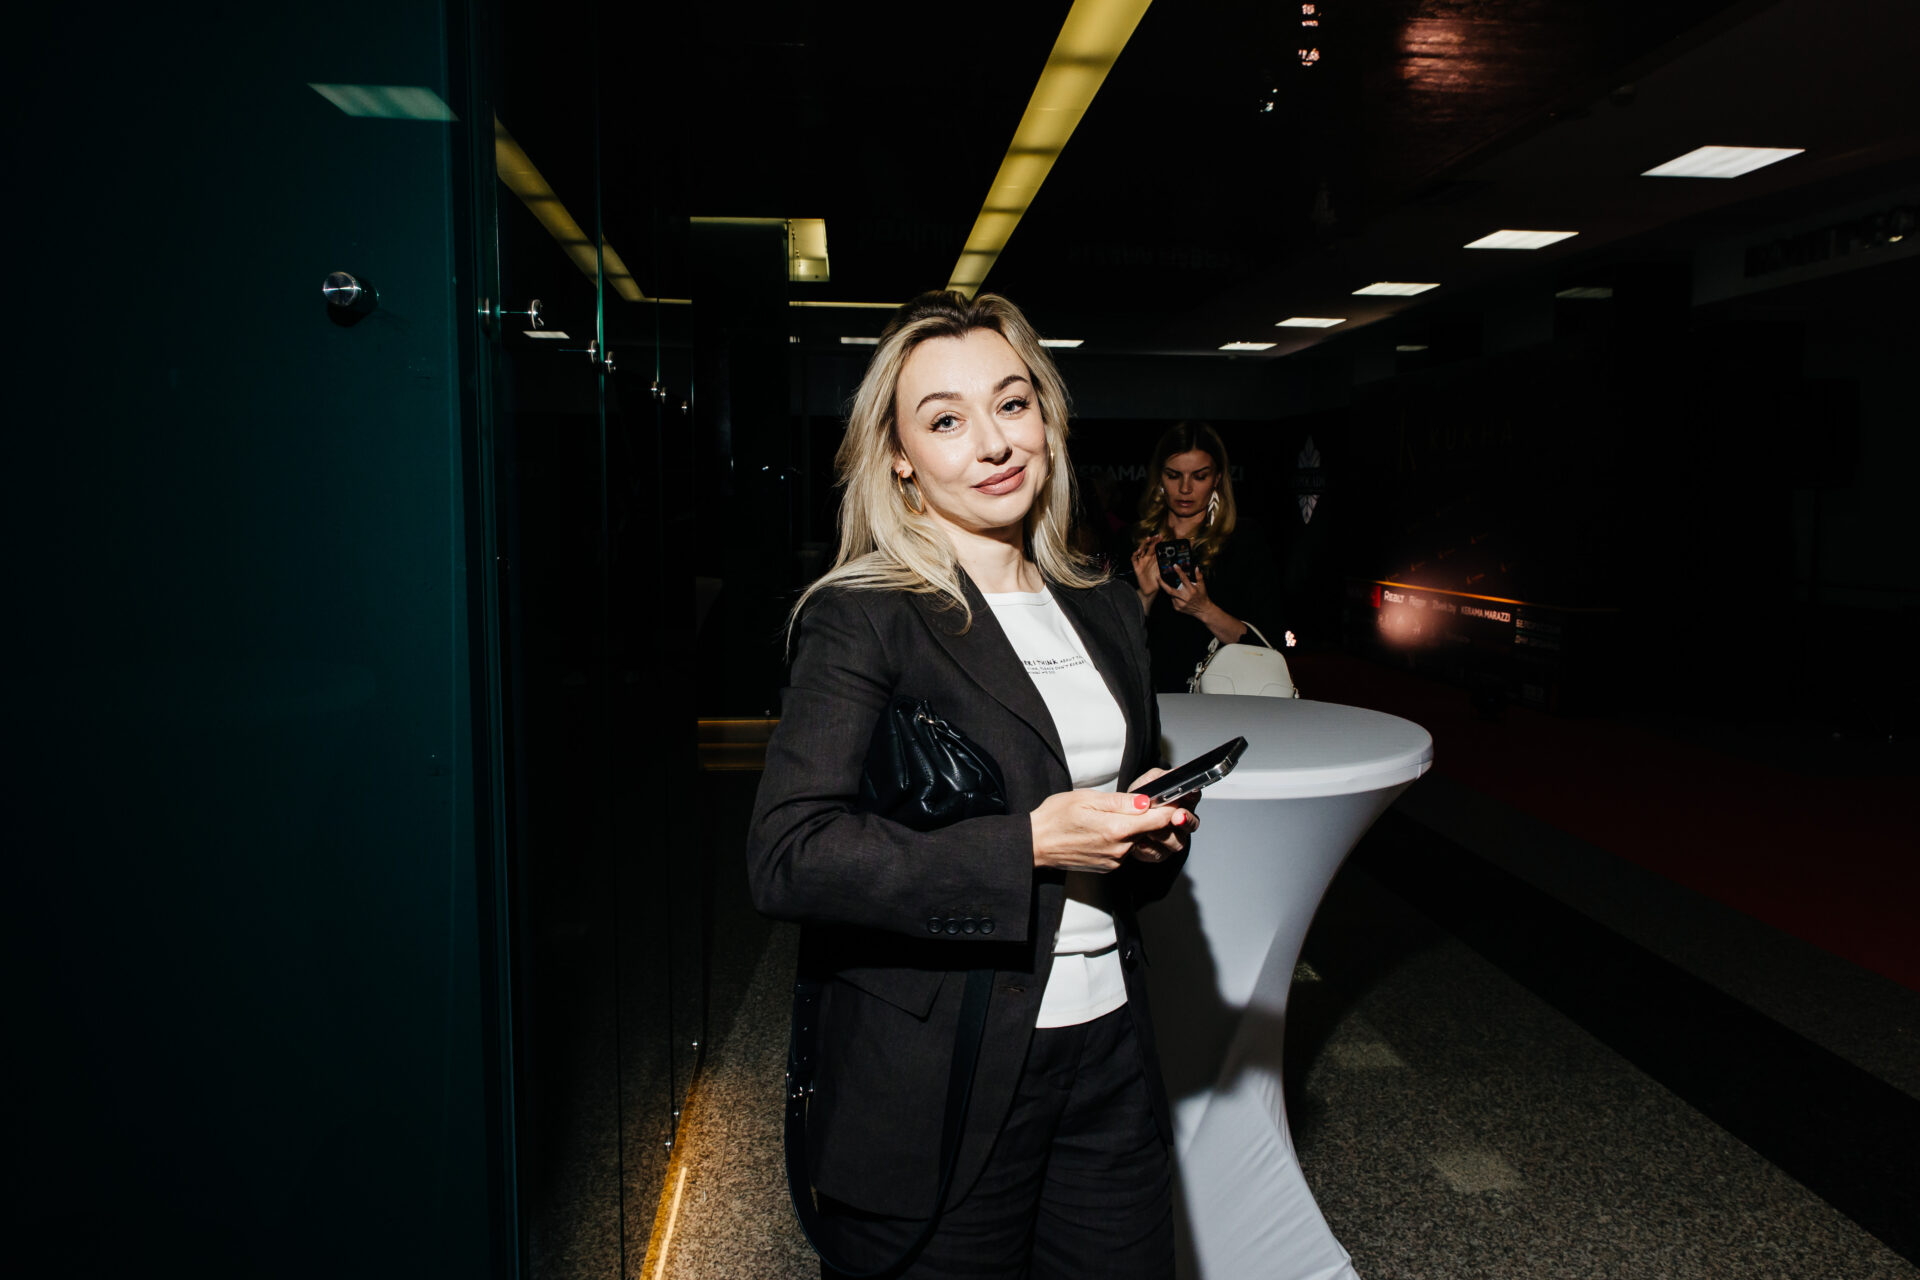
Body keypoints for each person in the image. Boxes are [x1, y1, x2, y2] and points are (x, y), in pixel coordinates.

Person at [748, 290, 1196, 1279]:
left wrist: (1147, 828)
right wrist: (1028, 844)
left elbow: (1111, 844)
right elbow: (787, 854)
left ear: (1046, 415)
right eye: (946, 420)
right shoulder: (866, 614)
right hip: (940, 1071)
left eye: (1012, 403)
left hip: (1109, 1051)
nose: (993, 443)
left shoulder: (1105, 606)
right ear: (899, 455)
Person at [1125, 422, 1282, 693]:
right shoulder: (1136, 542)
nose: (1185, 488)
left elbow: (1268, 644)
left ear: (1217, 478)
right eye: (1174, 475)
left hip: (1225, 700)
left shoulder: (1243, 541)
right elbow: (1112, 644)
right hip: (1152, 697)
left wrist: (1205, 610)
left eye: (1199, 476)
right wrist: (1145, 596)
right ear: (1159, 477)